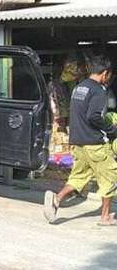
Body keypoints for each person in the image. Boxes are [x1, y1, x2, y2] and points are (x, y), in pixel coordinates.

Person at [44, 55, 117, 226]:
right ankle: (105, 217)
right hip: (94, 143)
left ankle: (56, 199)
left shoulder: (79, 88)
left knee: (78, 177)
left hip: (78, 142)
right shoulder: (99, 91)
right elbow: (94, 116)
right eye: (109, 75)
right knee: (110, 177)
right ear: (105, 73)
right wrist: (111, 128)